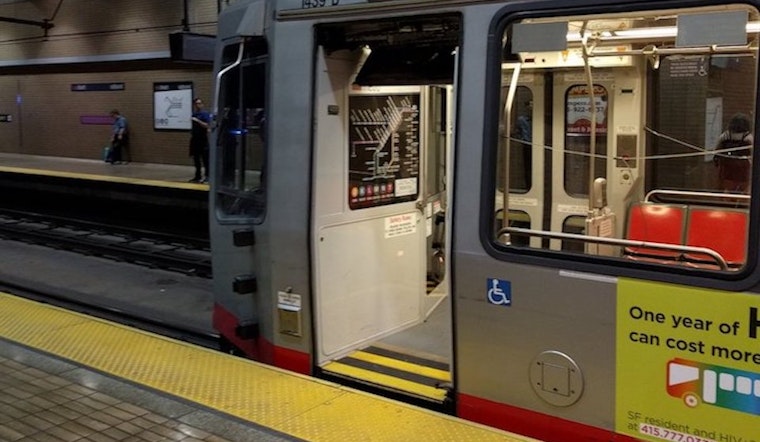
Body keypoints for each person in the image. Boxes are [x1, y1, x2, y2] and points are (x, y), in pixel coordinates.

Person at [714, 113, 753, 193]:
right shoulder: (749, 137)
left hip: (727, 168)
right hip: (743, 169)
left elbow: (717, 152)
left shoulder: (725, 136)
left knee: (728, 189)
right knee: (743, 190)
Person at [189, 97, 211, 183]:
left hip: (203, 139)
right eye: (196, 104)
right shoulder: (194, 114)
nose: (198, 105)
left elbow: (207, 125)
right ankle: (197, 176)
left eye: (200, 103)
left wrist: (198, 121)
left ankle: (208, 176)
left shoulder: (204, 114)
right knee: (196, 159)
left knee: (205, 159)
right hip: (195, 139)